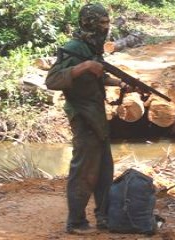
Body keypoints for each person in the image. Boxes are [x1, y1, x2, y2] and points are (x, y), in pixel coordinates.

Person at [45, 3, 129, 235]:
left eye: (107, 22)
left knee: (104, 169)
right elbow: (52, 80)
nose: (106, 27)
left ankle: (104, 217)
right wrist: (84, 66)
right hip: (83, 117)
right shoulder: (74, 48)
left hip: (97, 117)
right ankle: (76, 222)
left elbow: (96, 76)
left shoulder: (92, 46)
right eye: (102, 23)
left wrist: (120, 83)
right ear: (89, 23)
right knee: (84, 171)